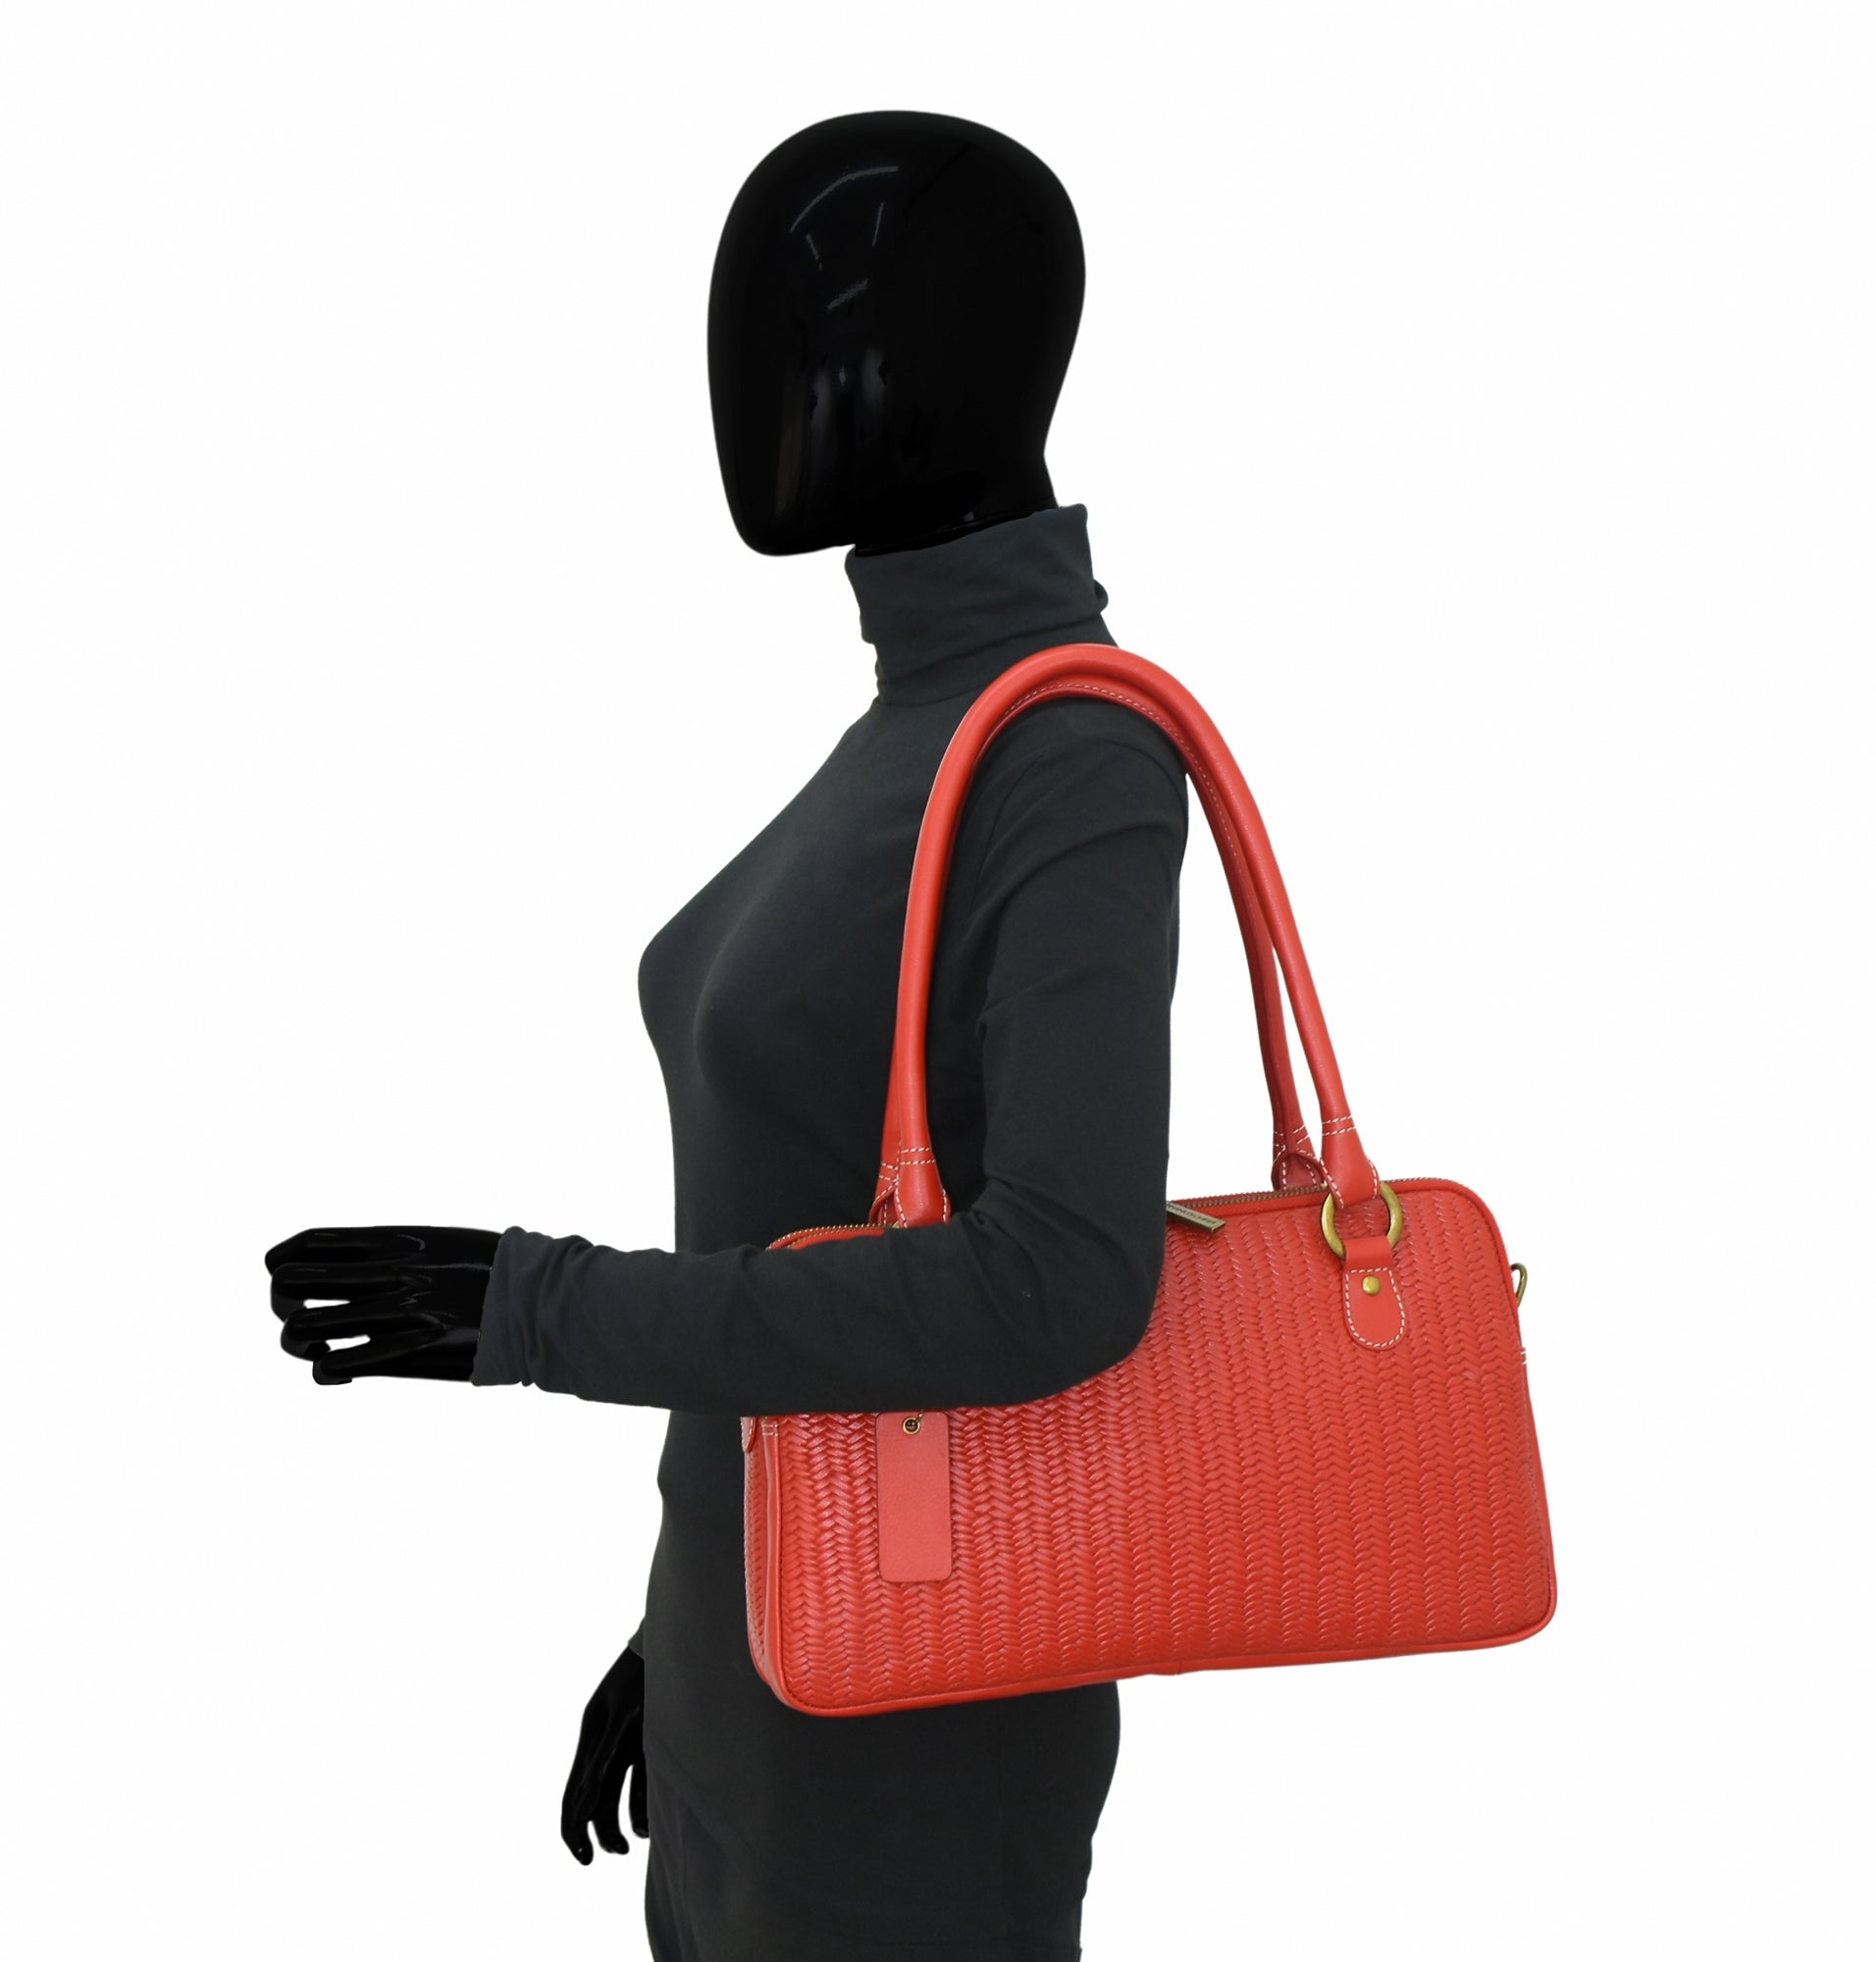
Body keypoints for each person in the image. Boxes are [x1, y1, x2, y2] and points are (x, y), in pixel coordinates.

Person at [267, 111, 1189, 1960]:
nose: (749, 372)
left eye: (820, 316)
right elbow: (816, 1219)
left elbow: (1063, 1282)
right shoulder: (914, 732)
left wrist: (541, 1308)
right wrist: (688, 1612)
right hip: (748, 1681)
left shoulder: (1068, 753)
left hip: (915, 1760)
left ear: (976, 351)